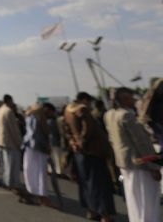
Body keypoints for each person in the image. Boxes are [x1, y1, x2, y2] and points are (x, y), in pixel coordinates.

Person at [104, 87, 160, 222]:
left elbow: (111, 139)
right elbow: (141, 143)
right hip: (139, 163)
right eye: (131, 97)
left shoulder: (109, 114)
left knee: (133, 198)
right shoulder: (126, 115)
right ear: (124, 99)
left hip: (124, 162)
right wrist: (153, 166)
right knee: (146, 198)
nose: (134, 99)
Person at [64, 92, 116, 222]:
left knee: (85, 183)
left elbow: (66, 130)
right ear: (84, 100)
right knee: (99, 183)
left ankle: (91, 212)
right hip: (92, 151)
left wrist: (74, 142)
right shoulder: (82, 109)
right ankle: (105, 216)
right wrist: (82, 141)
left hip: (79, 153)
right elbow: (89, 128)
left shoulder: (68, 110)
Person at [22, 104, 56, 208]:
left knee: (31, 172)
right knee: (40, 173)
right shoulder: (38, 120)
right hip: (38, 149)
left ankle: (33, 192)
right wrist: (47, 148)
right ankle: (43, 198)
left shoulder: (29, 118)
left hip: (29, 148)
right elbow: (39, 136)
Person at [0, 94, 23, 193]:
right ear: (9, 101)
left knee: (6, 164)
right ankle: (13, 184)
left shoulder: (0, 110)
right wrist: (19, 143)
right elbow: (14, 130)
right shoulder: (9, 111)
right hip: (10, 141)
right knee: (13, 165)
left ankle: (6, 182)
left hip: (2, 140)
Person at [43, 103, 63, 176]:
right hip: (54, 141)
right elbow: (56, 132)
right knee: (57, 156)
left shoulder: (46, 120)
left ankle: (51, 170)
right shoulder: (52, 121)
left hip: (49, 141)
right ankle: (58, 171)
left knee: (52, 156)